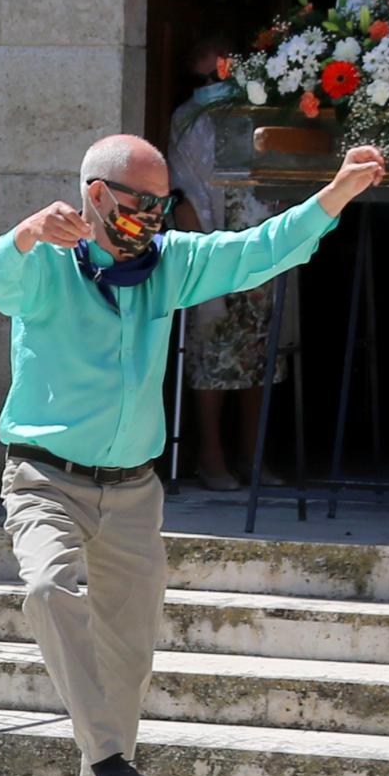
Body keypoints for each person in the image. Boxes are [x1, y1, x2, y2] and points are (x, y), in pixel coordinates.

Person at [0, 132, 385, 776]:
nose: (153, 218)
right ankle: (110, 765)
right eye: (139, 204)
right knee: (45, 590)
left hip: (132, 490)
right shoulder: (43, 266)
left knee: (127, 662)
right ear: (95, 196)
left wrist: (336, 193)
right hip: (44, 479)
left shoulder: (168, 264)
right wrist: (29, 231)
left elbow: (261, 248)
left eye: (162, 205)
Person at [166, 34, 279, 492]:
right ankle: (211, 458)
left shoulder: (264, 110)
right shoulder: (188, 119)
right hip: (214, 243)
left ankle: (253, 454)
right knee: (212, 353)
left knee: (260, 353)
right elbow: (183, 188)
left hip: (263, 245)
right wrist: (205, 248)